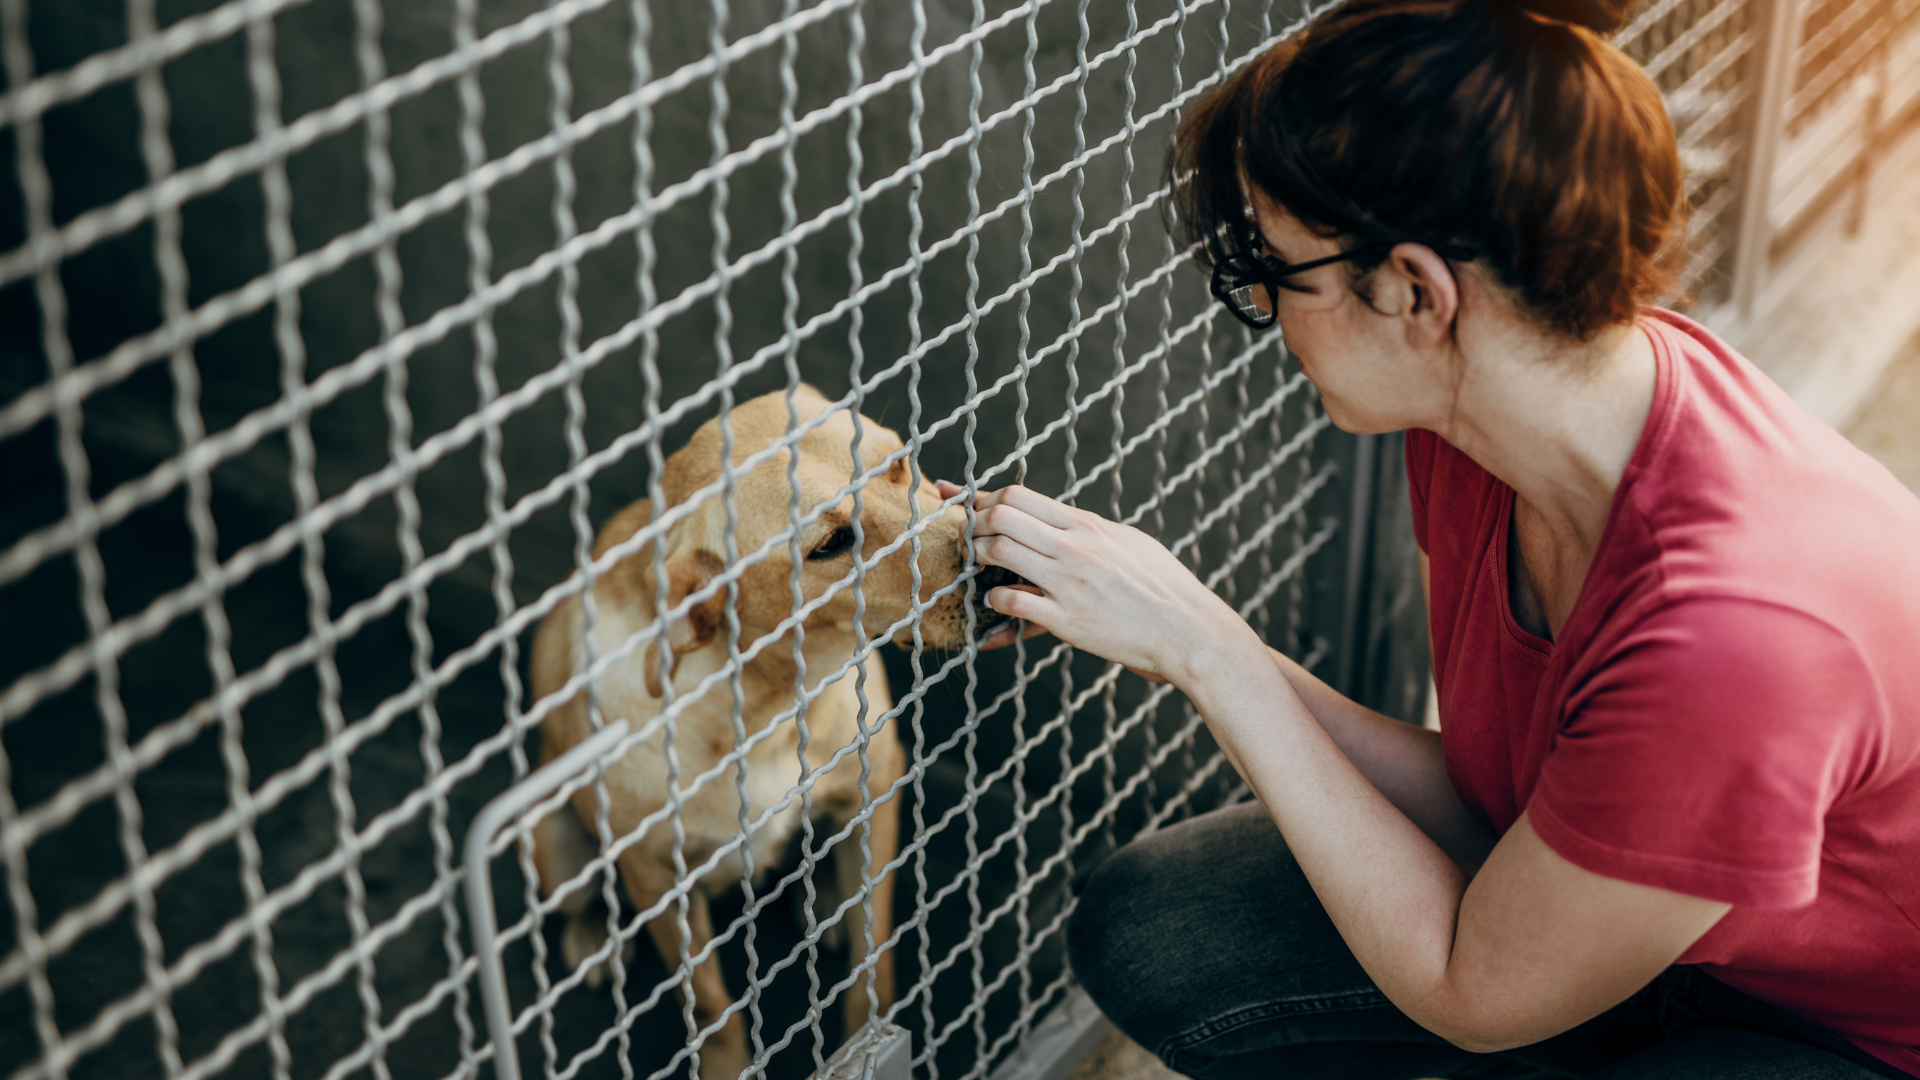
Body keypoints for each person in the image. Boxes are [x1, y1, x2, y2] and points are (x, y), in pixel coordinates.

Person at [941, 0, 1920, 1075]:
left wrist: (1206, 655)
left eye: (1276, 268)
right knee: (1160, 925)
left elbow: (1473, 990)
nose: (1266, 310)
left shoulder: (1736, 638)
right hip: (1667, 941)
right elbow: (1492, 794)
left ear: (1416, 294)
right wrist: (1172, 620)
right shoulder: (1502, 416)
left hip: (1848, 1033)